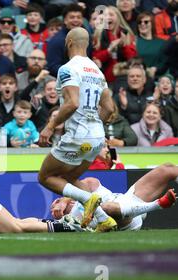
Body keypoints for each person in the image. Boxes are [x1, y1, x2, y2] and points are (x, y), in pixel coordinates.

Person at [37, 27, 117, 232]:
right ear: (87, 44)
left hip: (78, 135)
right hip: (97, 136)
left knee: (45, 176)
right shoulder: (97, 71)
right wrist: (92, 126)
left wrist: (50, 127)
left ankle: (89, 200)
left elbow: (72, 103)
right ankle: (104, 219)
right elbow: (109, 108)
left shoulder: (67, 68)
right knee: (70, 177)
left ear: (69, 43)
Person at [50, 163, 177, 232]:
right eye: (52, 211)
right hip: (123, 223)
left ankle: (154, 205)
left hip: (129, 200)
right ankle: (157, 205)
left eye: (55, 203)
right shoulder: (69, 221)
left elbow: (91, 182)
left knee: (167, 169)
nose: (53, 209)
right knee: (105, 208)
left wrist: (66, 198)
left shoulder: (82, 194)